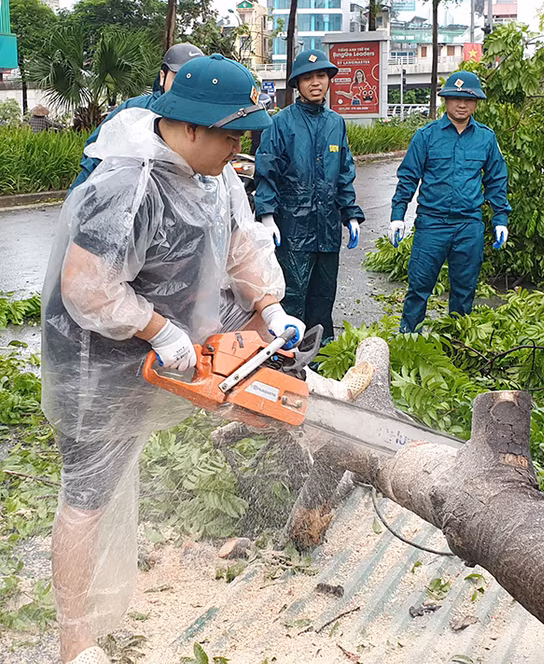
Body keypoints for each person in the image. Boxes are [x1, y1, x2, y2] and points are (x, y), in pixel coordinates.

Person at [41, 54, 303, 664]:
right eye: (231, 134)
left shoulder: (217, 178)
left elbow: (243, 245)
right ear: (188, 127)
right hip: (95, 357)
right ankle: (74, 639)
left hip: (181, 330)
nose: (240, 147)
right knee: (88, 493)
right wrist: (159, 330)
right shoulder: (128, 184)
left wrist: (269, 309)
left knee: (269, 369)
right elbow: (87, 287)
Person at [389, 70, 511, 333]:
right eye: (455, 98)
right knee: (419, 287)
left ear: (476, 102)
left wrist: (501, 219)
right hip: (432, 224)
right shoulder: (426, 136)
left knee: (464, 289)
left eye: (468, 99)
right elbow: (408, 177)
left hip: (469, 225)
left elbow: (496, 180)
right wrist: (398, 216)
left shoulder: (486, 138)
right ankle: (408, 340)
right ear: (446, 100)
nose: (462, 104)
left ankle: (457, 342)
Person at [255, 49, 365, 339]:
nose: (315, 83)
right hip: (293, 226)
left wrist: (350, 214)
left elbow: (344, 172)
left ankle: (322, 352)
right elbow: (268, 169)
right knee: (293, 294)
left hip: (327, 228)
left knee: (323, 295)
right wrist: (267, 215)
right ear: (297, 84)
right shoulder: (281, 123)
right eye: (307, 78)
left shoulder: (335, 123)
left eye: (320, 76)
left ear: (328, 80)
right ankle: (287, 355)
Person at [70, 42, 205, 190]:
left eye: (194, 81)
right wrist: (81, 200)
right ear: (162, 76)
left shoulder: (206, 119)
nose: (185, 88)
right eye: (179, 79)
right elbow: (95, 155)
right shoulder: (133, 111)